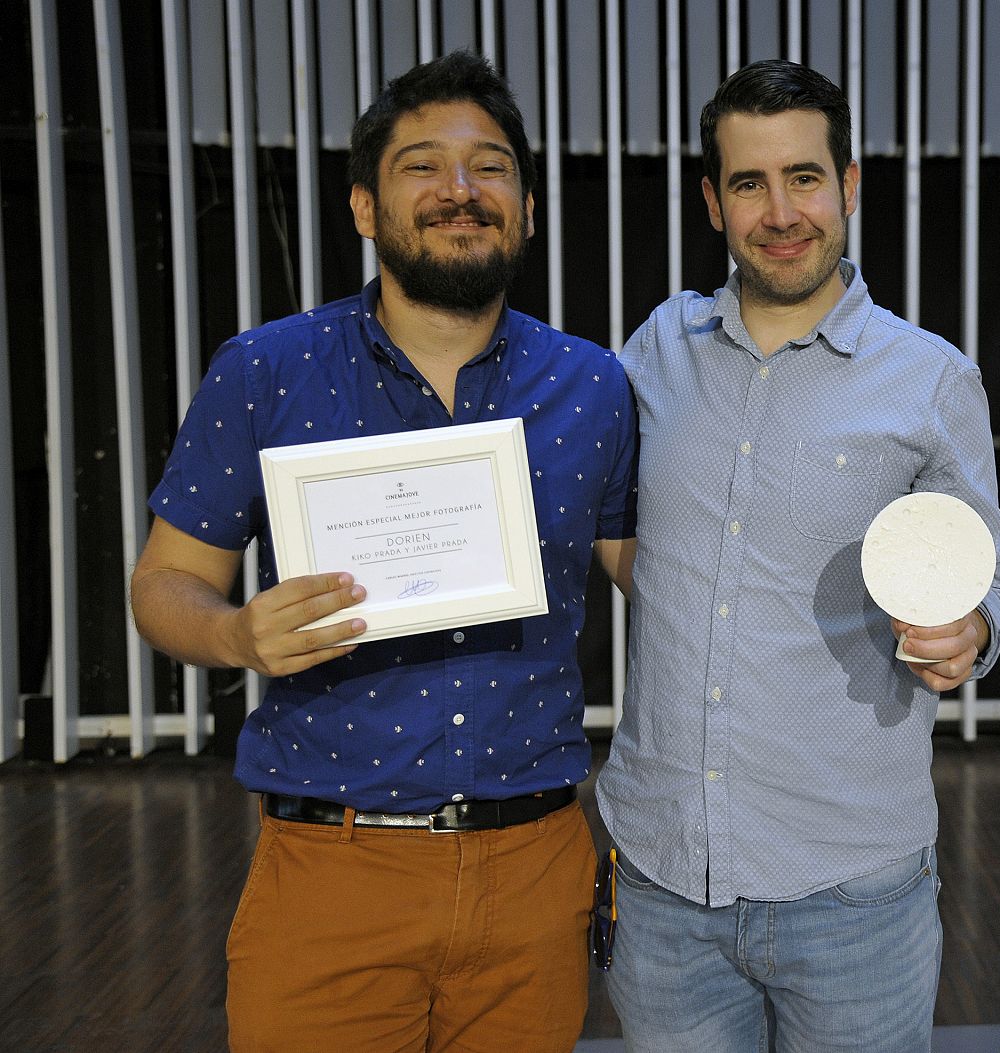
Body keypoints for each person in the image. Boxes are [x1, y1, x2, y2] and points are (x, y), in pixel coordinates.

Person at [129, 51, 636, 1053]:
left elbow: (651, 571)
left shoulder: (594, 387)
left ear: (527, 208)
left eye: (490, 167)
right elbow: (163, 583)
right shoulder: (267, 371)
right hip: (331, 873)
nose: (460, 191)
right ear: (364, 207)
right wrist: (236, 633)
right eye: (421, 168)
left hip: (535, 873)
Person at [594, 59, 1000, 1053]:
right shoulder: (655, 348)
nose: (780, 212)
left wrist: (970, 630)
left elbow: (981, 572)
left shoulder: (932, 380)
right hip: (663, 887)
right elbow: (607, 515)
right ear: (712, 201)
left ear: (850, 185)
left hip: (851, 890)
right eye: (749, 183)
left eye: (804, 178)